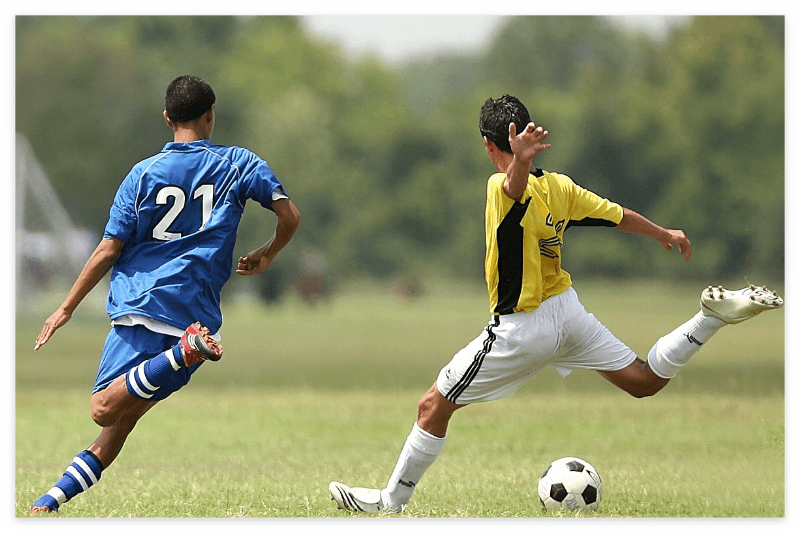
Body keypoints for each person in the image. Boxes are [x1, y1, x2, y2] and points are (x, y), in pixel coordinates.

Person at [328, 94, 783, 514]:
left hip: (522, 328)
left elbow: (512, 189)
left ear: (489, 145)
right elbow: (616, 214)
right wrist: (663, 232)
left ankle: (392, 503)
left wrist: (518, 164)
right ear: (525, 134)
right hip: (568, 312)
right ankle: (707, 319)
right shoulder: (560, 187)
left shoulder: (498, 186)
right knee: (643, 381)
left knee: (433, 406)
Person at [29, 75, 300, 513]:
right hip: (196, 313)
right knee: (118, 426)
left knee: (103, 408)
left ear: (167, 118)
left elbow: (108, 249)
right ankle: (49, 502)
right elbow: (289, 216)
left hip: (142, 305)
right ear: (211, 116)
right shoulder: (239, 163)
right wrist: (267, 254)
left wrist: (65, 308)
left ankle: (180, 353)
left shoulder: (142, 175)